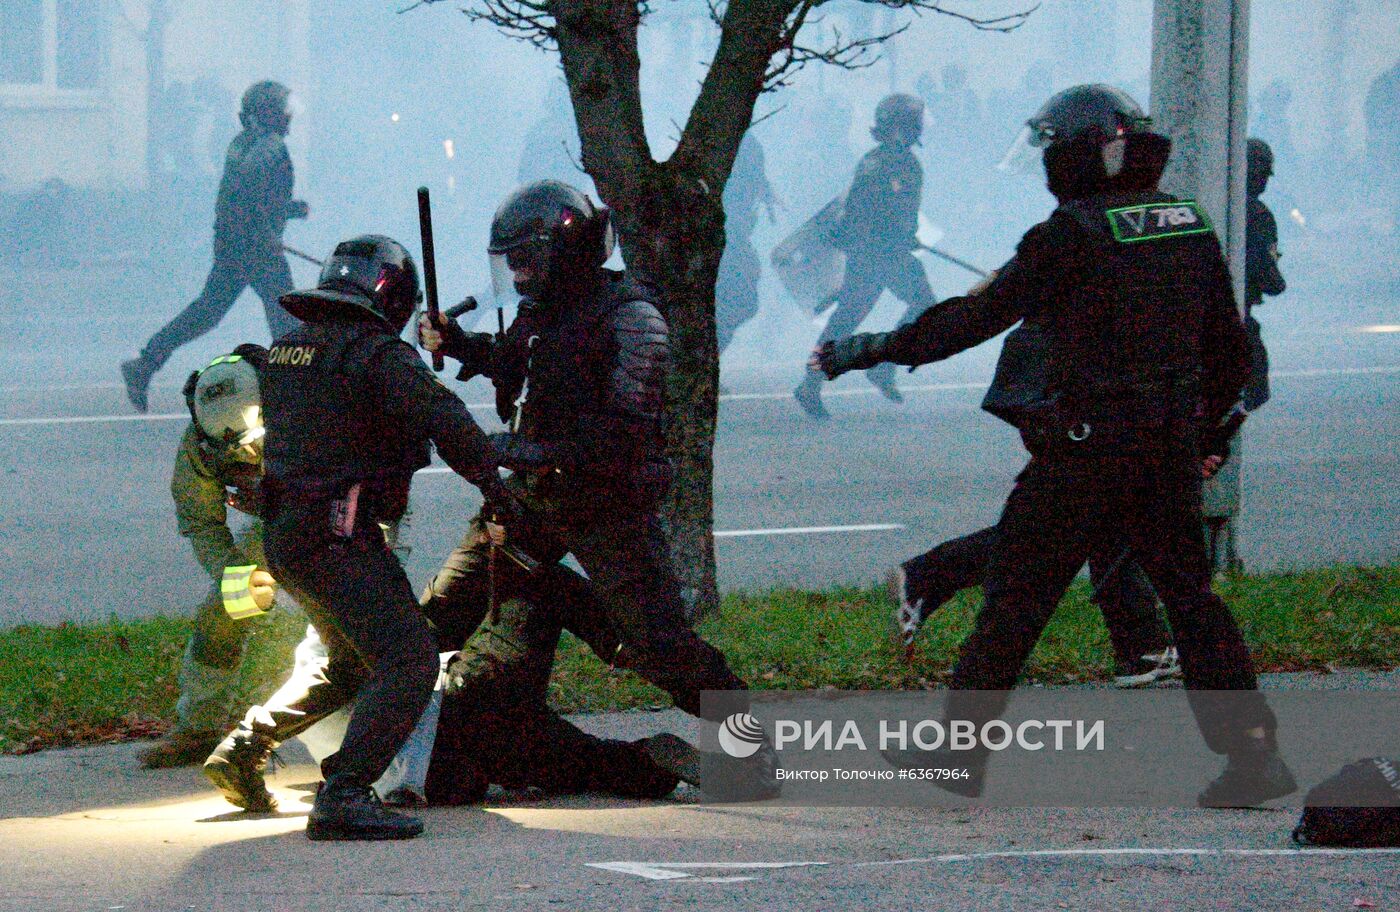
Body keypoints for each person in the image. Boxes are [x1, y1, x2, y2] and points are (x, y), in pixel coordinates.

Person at [814, 84, 1294, 807]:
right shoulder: (1185, 222)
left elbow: (971, 320)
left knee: (1016, 596)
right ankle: (1255, 758)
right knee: (1194, 605)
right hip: (1163, 453)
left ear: (1081, 153)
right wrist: (1209, 435)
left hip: (1086, 452)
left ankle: (956, 753)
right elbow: (1228, 350)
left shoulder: (1070, 233)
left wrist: (864, 348)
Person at [417, 180, 777, 797]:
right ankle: (392, 747)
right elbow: (521, 365)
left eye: (527, 259)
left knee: (660, 645)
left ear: (567, 248)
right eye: (513, 263)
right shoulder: (541, 309)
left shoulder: (632, 317)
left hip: (606, 504)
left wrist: (526, 450)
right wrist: (458, 345)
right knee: (436, 618)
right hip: (529, 499)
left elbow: (623, 433)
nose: (519, 274)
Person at [247, 234, 511, 841]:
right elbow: (446, 419)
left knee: (349, 663)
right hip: (335, 535)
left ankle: (250, 751)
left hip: (288, 537)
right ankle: (344, 794)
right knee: (409, 658)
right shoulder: (374, 354)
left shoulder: (288, 348)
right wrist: (495, 484)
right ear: (392, 296)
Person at [137, 345, 289, 769]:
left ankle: (375, 729)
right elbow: (201, 521)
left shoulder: (306, 407)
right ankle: (198, 728)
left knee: (361, 620)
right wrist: (232, 575)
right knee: (226, 608)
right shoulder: (200, 444)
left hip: (349, 517)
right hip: (278, 521)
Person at [121, 80, 309, 413]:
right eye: (283, 110)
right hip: (257, 250)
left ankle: (145, 363)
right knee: (287, 321)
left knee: (207, 313)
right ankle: (301, 395)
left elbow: (244, 196)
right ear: (267, 114)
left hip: (235, 246)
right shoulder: (270, 147)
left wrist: (287, 211)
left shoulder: (242, 143)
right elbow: (252, 196)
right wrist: (271, 229)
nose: (289, 116)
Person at [891, 524, 1179, 689]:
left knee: (1103, 527)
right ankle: (923, 577)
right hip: (1098, 433)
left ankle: (1143, 648)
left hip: (1097, 432)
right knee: (1052, 532)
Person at [794, 93, 938, 419]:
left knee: (847, 318)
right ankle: (881, 367)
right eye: (913, 124)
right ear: (901, 127)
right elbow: (861, 212)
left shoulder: (891, 160)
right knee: (922, 304)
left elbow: (894, 212)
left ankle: (812, 382)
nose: (918, 130)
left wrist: (906, 233)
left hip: (882, 253)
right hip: (879, 255)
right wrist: (895, 236)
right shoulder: (886, 163)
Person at [716, 133, 777, 358]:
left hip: (732, 238)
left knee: (740, 302)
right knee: (740, 301)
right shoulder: (733, 141)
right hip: (725, 239)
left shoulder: (746, 142)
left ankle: (702, 363)